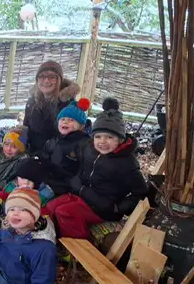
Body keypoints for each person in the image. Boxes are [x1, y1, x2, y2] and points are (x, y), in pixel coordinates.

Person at [47, 98, 149, 240]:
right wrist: (76, 181)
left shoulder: (127, 163)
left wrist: (118, 207)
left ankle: (80, 246)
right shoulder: (90, 150)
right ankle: (53, 238)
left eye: (109, 137)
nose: (102, 142)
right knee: (51, 207)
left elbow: (141, 192)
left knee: (65, 212)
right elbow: (81, 167)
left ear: (120, 139)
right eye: (98, 136)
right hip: (82, 195)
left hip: (103, 208)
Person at [23, 60, 81, 153]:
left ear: (59, 80)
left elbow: (73, 138)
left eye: (52, 77)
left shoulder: (69, 106)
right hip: (33, 153)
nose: (46, 81)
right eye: (42, 76)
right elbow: (26, 128)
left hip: (58, 156)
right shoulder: (32, 102)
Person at [39, 98, 91, 196]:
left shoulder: (83, 144)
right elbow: (44, 158)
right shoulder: (53, 141)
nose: (65, 122)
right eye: (62, 119)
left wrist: (73, 184)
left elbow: (85, 169)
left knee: (42, 200)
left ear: (81, 126)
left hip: (67, 186)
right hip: (49, 180)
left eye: (71, 120)